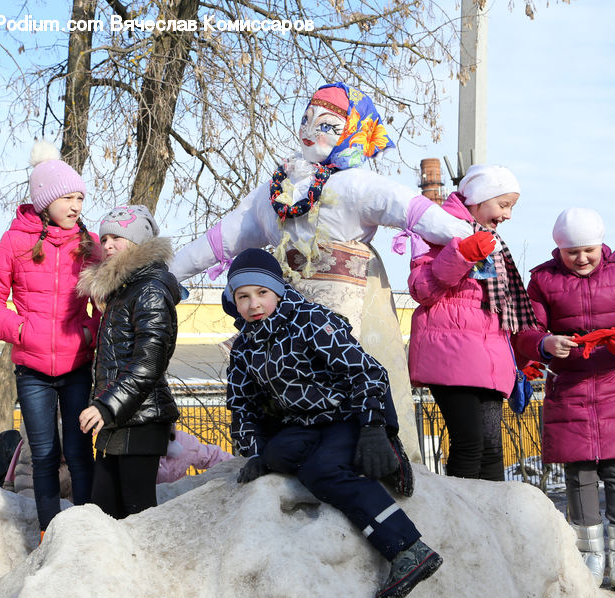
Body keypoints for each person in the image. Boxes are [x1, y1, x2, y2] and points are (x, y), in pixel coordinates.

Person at [168, 82, 473, 462]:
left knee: (352, 370)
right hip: (283, 310)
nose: (310, 131)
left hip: (354, 300)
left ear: (351, 130)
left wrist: (464, 235)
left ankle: (371, 455)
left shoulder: (356, 184)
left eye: (326, 124)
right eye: (306, 120)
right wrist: (170, 271)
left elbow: (408, 208)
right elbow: (224, 237)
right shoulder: (276, 190)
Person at [224, 248, 441, 598]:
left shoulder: (311, 321)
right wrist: (257, 453)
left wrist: (372, 428)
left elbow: (368, 373)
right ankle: (336, 455)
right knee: (276, 456)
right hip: (304, 423)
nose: (253, 304)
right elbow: (241, 403)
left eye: (262, 292)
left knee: (321, 471)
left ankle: (408, 548)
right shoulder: (245, 347)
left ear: (277, 290)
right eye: (242, 296)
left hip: (346, 412)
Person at [515, 207, 615, 590]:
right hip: (571, 389)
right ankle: (590, 557)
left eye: (588, 251)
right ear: (558, 250)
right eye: (571, 252)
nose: (581, 259)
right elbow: (526, 332)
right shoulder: (543, 280)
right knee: (579, 475)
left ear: (601, 246)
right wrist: (544, 343)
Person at [0, 140, 99, 537]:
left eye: (80, 197)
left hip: (77, 367)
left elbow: (108, 301)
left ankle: (85, 530)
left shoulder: (88, 243)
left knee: (80, 452)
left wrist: (89, 333)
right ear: (45, 200)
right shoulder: (15, 242)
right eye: (68, 197)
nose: (76, 205)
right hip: (32, 371)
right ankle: (49, 533)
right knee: (44, 453)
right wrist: (22, 331)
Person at [407, 165, 537, 481]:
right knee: (469, 444)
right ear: (479, 200)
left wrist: (517, 361)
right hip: (449, 357)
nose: (507, 215)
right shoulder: (438, 231)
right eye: (503, 205)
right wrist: (461, 255)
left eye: (511, 207)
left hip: (487, 359)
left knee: (493, 449)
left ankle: (494, 525)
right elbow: (421, 289)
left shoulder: (492, 243)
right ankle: (464, 526)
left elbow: (499, 313)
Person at [77, 205, 181, 519]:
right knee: (104, 515)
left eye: (117, 238)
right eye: (104, 237)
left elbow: (148, 364)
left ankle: (149, 568)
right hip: (119, 419)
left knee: (137, 517)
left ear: (137, 244)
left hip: (142, 420)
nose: (106, 245)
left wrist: (105, 405)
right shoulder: (122, 292)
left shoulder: (148, 290)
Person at [156, 430, 233, 484]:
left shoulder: (183, 442)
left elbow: (212, 456)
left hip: (177, 498)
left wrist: (237, 463)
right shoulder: (144, 448)